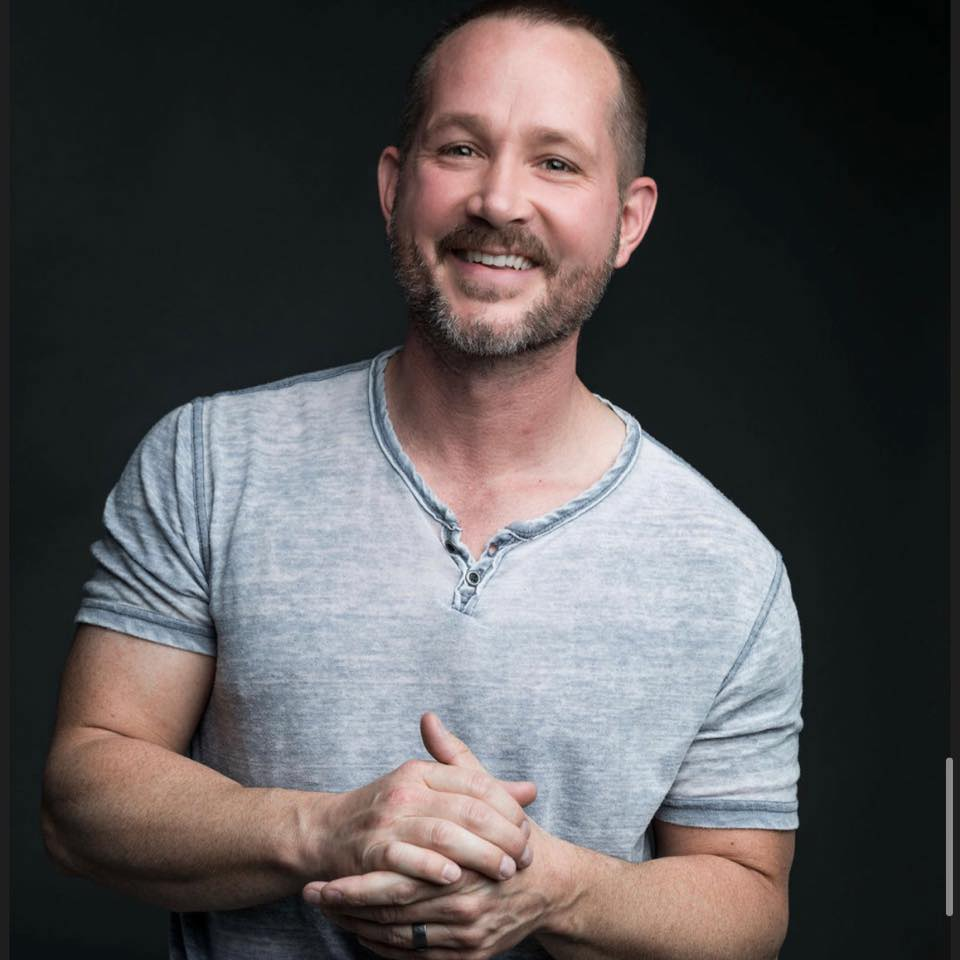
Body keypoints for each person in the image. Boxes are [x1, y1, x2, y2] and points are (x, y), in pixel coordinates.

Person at [41, 1, 804, 958]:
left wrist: (555, 890)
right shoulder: (210, 463)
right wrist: (326, 831)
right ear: (394, 187)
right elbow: (83, 793)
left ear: (627, 220)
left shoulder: (729, 570)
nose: (500, 202)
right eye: (461, 149)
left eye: (556, 162)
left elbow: (748, 905)